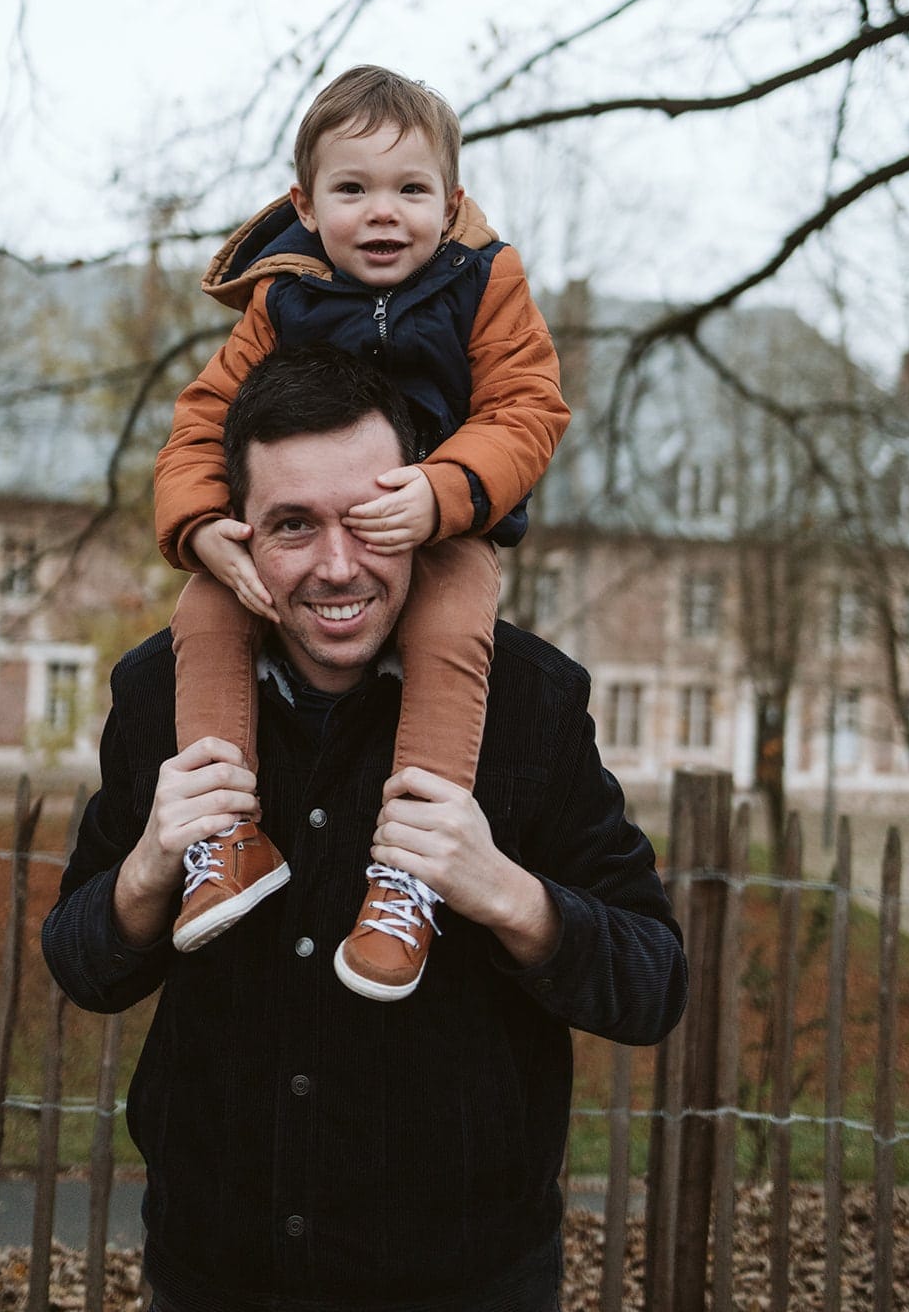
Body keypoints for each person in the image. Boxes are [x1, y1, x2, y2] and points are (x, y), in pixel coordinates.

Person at [42, 345, 687, 1312]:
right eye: (292, 525)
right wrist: (145, 872)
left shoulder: (529, 705)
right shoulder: (158, 694)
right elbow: (82, 968)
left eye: (370, 520)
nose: (336, 566)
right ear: (236, 534)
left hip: (462, 1281)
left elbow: (652, 985)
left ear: (425, 520)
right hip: (215, 1272)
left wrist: (508, 895)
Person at [153, 64, 571, 996]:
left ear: (450, 199)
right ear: (305, 202)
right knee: (206, 607)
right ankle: (225, 840)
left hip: (443, 526)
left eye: (411, 190)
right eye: (353, 189)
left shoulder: (482, 282)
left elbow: (526, 408)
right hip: (303, 526)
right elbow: (203, 418)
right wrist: (201, 527)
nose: (384, 214)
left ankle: (410, 875)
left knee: (453, 627)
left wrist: (446, 488)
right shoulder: (284, 296)